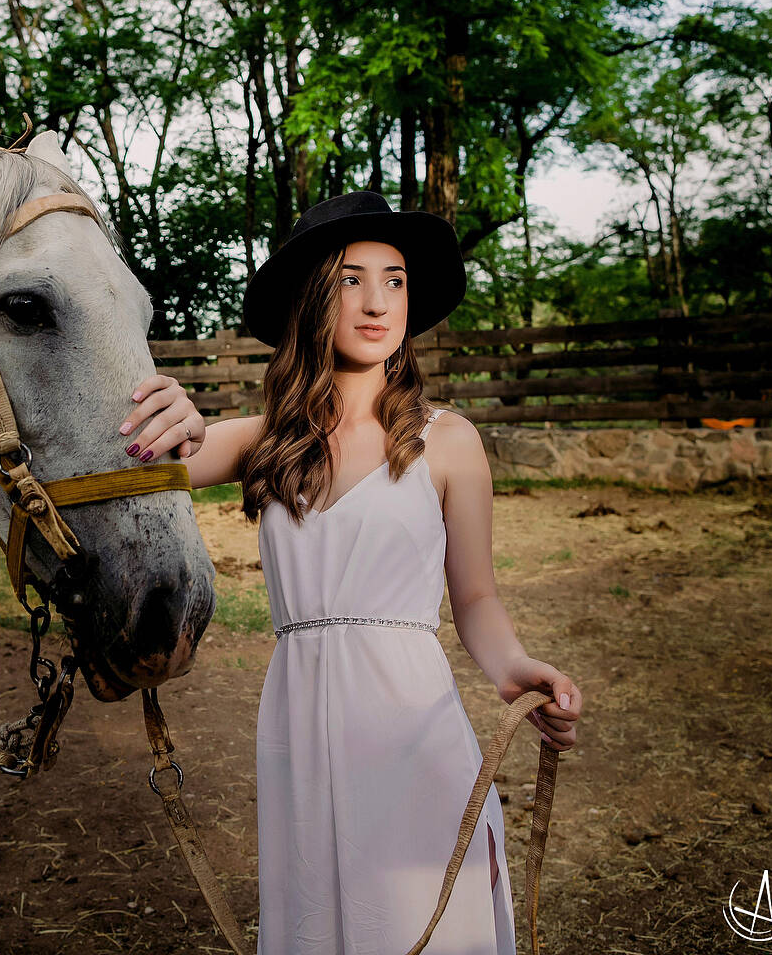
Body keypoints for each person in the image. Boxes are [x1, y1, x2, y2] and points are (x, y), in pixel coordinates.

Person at [115, 191, 583, 954]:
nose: (377, 302)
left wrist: (515, 669)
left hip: (414, 726)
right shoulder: (266, 438)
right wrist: (169, 410)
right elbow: (137, 466)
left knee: (420, 919)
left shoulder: (451, 441)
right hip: (299, 722)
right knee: (320, 919)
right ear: (312, 298)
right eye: (350, 280)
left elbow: (476, 598)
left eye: (395, 280)